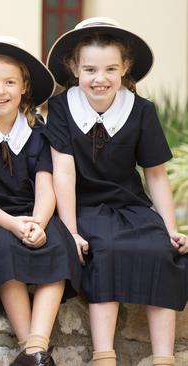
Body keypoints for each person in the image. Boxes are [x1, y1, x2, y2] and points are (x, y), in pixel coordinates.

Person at [45, 17, 188, 366]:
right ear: (74, 68)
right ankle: (104, 356)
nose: (100, 78)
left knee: (159, 250)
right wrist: (71, 230)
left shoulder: (141, 111)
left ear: (125, 67)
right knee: (104, 251)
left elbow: (154, 174)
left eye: (111, 68)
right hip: (83, 207)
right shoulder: (62, 108)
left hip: (130, 205)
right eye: (90, 69)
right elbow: (62, 172)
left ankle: (164, 358)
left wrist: (169, 227)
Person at [0, 36, 81, 366]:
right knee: (3, 248)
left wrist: (38, 223)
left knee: (58, 243)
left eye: (10, 82)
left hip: (34, 212)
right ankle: (34, 350)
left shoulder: (37, 131)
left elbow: (45, 184)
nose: (0, 91)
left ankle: (35, 348)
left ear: (24, 86)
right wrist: (13, 225)